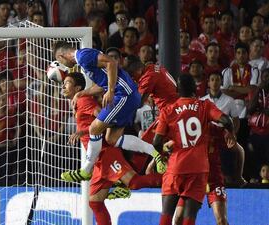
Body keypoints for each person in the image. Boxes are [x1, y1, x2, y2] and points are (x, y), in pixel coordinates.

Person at [53, 41, 165, 182]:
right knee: (112, 139)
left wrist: (111, 90)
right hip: (126, 95)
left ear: (62, 56)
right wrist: (82, 93)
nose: (62, 65)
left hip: (123, 94)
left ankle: (86, 170)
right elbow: (102, 85)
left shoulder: (82, 55)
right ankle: (155, 153)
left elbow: (111, 62)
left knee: (94, 129)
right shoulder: (83, 61)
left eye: (59, 61)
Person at [62, 72, 161, 225]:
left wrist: (82, 131)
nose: (63, 86)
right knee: (95, 202)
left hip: (106, 153)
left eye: (67, 83)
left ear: (78, 87)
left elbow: (102, 118)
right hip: (98, 160)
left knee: (134, 182)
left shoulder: (83, 100)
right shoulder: (77, 102)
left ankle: (173, 179)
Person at [153, 74, 236, 225]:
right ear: (195, 88)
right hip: (198, 169)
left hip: (175, 168)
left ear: (178, 90)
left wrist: (165, 153)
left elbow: (156, 142)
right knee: (189, 217)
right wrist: (231, 133)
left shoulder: (168, 111)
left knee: (166, 215)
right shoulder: (205, 106)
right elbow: (226, 120)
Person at [175, 72, 246, 225]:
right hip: (192, 179)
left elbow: (239, 150)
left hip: (213, 179)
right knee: (178, 219)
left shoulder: (215, 130)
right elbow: (168, 148)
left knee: (221, 220)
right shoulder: (184, 131)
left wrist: (238, 175)